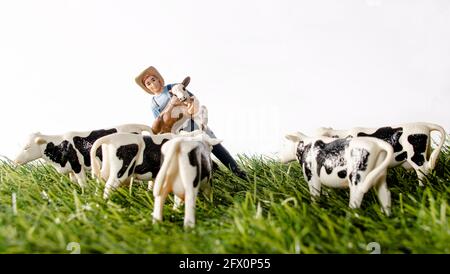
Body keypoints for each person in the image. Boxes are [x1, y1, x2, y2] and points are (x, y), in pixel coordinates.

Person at [135, 66, 246, 179]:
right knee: (197, 154)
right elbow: (160, 123)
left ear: (159, 79)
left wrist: (191, 107)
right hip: (178, 132)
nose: (152, 84)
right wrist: (170, 107)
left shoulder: (173, 87)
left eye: (153, 80)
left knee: (215, 146)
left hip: (192, 122)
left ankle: (239, 173)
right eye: (148, 84)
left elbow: (192, 99)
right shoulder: (154, 103)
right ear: (147, 88)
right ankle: (221, 178)